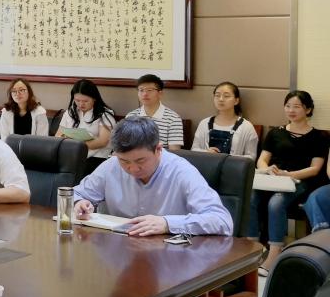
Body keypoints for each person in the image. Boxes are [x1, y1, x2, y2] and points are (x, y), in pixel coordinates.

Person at [72, 116, 233, 237]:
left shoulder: (182, 172)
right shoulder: (111, 166)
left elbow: (222, 220)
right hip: (119, 253)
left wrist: (167, 223)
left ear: (158, 149)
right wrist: (79, 203)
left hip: (170, 258)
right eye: (124, 161)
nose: (133, 169)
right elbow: (76, 193)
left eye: (140, 160)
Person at [247, 91, 329, 272]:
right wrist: (267, 169)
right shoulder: (275, 132)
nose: (291, 110)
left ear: (308, 109)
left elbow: (315, 169)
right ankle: (252, 247)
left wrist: (289, 175)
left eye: (297, 106)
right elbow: (262, 160)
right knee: (251, 197)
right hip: (272, 179)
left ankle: (275, 252)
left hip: (301, 181)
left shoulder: (319, 137)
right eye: (288, 106)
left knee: (276, 202)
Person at [56, 79, 117, 173]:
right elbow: (58, 135)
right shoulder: (70, 112)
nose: (81, 104)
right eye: (77, 100)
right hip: (72, 155)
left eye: (85, 101)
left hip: (96, 158)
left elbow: (103, 141)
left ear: (94, 98)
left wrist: (77, 145)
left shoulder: (105, 114)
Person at [190, 82, 259, 159]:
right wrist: (207, 153)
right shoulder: (204, 123)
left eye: (226, 96)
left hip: (233, 166)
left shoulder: (246, 127)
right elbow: (194, 150)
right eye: (217, 95)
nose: (221, 99)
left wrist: (227, 158)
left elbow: (251, 157)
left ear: (236, 101)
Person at [126, 74, 184, 150]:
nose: (145, 94)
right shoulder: (131, 116)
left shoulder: (173, 118)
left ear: (160, 94)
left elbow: (174, 151)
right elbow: (125, 146)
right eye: (141, 90)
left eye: (149, 90)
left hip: (161, 157)